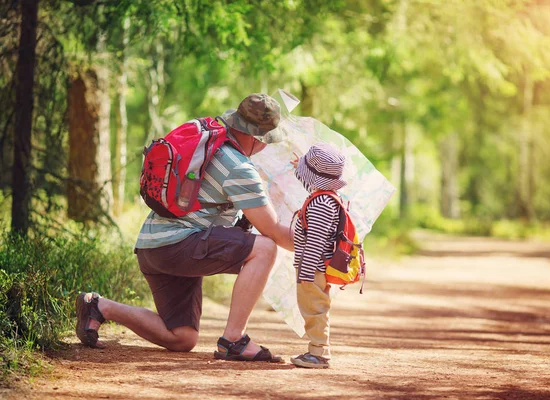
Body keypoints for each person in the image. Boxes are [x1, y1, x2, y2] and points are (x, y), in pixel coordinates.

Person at [75, 93, 294, 363]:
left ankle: (98, 305)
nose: (265, 148)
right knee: (265, 248)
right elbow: (273, 231)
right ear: (255, 137)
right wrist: (319, 245)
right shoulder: (239, 168)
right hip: (178, 246)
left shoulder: (211, 146)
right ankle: (234, 340)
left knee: (182, 338)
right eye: (266, 141)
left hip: (152, 246)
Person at [289, 143, 347, 369]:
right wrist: (299, 168)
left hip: (312, 268)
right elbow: (310, 183)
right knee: (314, 307)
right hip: (314, 267)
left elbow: (316, 240)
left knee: (315, 309)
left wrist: (305, 272)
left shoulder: (321, 203)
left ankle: (319, 353)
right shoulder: (326, 196)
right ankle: (317, 350)